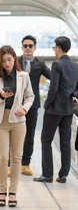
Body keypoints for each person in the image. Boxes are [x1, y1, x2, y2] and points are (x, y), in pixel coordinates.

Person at [0, 45, 34, 208]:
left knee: (16, 158)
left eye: (9, 59)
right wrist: (0, 96)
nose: (7, 63)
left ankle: (13, 192)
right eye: (3, 61)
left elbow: (30, 96)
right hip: (1, 122)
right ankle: (2, 192)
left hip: (18, 121)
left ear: (14, 59)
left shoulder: (24, 76)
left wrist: (24, 108)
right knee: (2, 158)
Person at [34, 36, 78, 184]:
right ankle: (64, 174)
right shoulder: (75, 66)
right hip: (68, 109)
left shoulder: (57, 64)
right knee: (65, 142)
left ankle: (47, 174)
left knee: (46, 140)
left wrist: (47, 104)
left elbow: (54, 87)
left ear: (58, 48)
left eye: (54, 48)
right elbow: (76, 89)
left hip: (54, 109)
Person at [15, 35, 50, 176]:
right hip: (15, 103)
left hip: (33, 104)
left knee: (29, 135)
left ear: (35, 47)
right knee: (14, 133)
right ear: (22, 47)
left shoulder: (40, 64)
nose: (28, 48)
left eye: (30, 46)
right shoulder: (15, 61)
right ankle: (11, 165)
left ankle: (25, 164)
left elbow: (52, 76)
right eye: (25, 45)